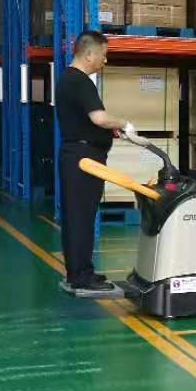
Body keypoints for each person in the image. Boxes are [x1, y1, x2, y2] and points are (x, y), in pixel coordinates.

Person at [55, 30, 136, 298]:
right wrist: (124, 123)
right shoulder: (79, 81)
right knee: (80, 217)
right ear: (89, 54)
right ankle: (81, 277)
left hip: (78, 155)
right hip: (84, 159)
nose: (105, 60)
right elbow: (99, 118)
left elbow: (86, 121)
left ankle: (81, 271)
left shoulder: (68, 79)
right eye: (103, 55)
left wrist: (107, 131)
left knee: (79, 216)